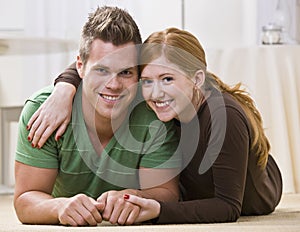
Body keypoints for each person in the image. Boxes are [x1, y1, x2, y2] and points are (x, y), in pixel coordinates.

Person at [27, 27, 283, 224]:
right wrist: (64, 89)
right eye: (147, 81)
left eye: (167, 79)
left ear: (197, 79)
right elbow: (101, 61)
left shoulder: (223, 116)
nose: (155, 93)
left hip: (252, 196)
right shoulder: (156, 96)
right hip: (191, 189)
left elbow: (228, 206)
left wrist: (158, 210)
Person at [14, 7, 181, 227]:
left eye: (126, 72)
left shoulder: (155, 114)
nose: (113, 85)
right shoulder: (43, 112)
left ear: (138, 73)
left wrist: (132, 197)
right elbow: (25, 200)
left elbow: (168, 194)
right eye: (101, 70)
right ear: (80, 67)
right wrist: (59, 207)